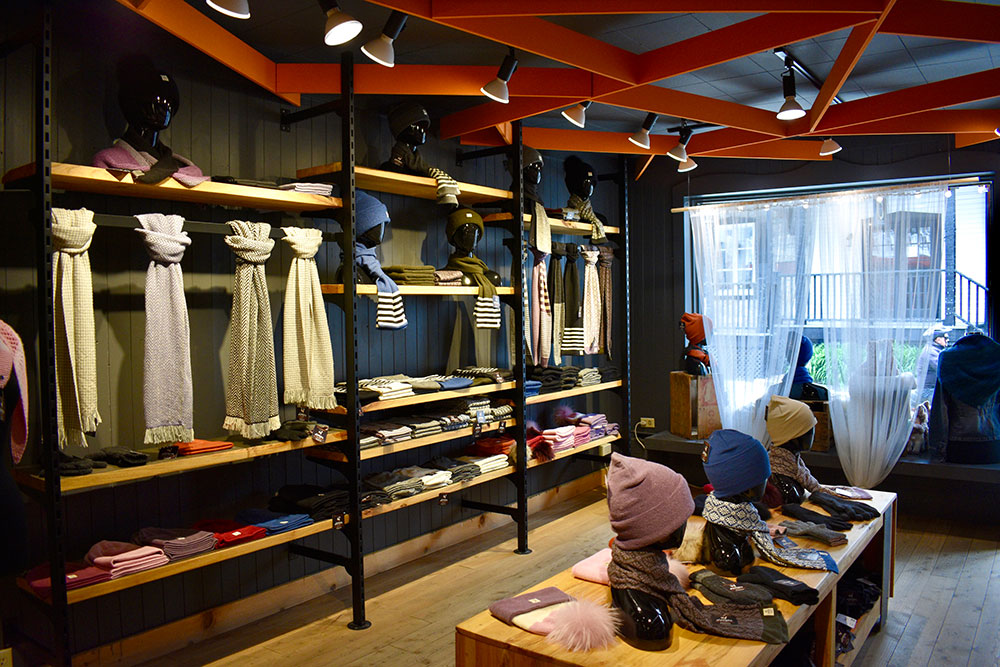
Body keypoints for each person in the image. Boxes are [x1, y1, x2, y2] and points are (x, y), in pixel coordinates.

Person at [914, 329, 948, 405]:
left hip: (929, 388)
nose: (947, 340)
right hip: (928, 390)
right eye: (945, 338)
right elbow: (941, 367)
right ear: (938, 340)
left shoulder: (934, 350)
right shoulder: (931, 352)